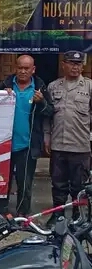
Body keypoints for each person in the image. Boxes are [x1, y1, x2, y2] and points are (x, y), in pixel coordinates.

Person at [0, 55, 53, 220]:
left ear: (33, 70)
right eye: (20, 68)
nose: (23, 71)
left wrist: (41, 102)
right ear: (15, 68)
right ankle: (0, 213)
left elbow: (50, 112)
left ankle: (22, 214)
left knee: (24, 182)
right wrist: (0, 97)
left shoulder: (40, 88)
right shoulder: (5, 86)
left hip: (27, 145)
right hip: (4, 145)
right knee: (1, 181)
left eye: (27, 68)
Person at [44, 50, 92, 225]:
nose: (75, 67)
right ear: (63, 65)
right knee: (58, 185)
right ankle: (58, 215)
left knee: (79, 185)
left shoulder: (89, 87)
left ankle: (79, 217)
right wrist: (47, 136)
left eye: (78, 64)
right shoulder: (53, 87)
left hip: (80, 145)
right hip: (58, 144)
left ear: (82, 66)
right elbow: (48, 116)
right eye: (71, 63)